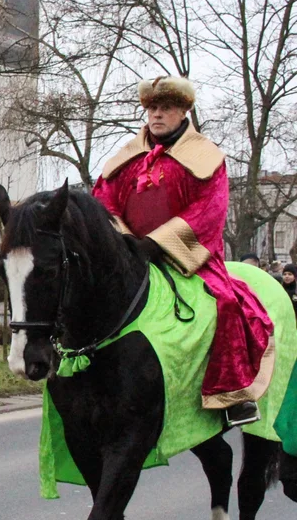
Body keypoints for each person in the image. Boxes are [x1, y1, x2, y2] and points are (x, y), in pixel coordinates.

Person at [93, 76, 273, 426]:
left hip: (187, 259)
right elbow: (104, 201)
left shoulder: (206, 157)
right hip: (128, 255)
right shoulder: (126, 158)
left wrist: (156, 243)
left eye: (165, 109)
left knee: (228, 304)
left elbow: (208, 210)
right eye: (151, 109)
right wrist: (126, 243)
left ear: (182, 112)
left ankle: (232, 396)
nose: (156, 116)